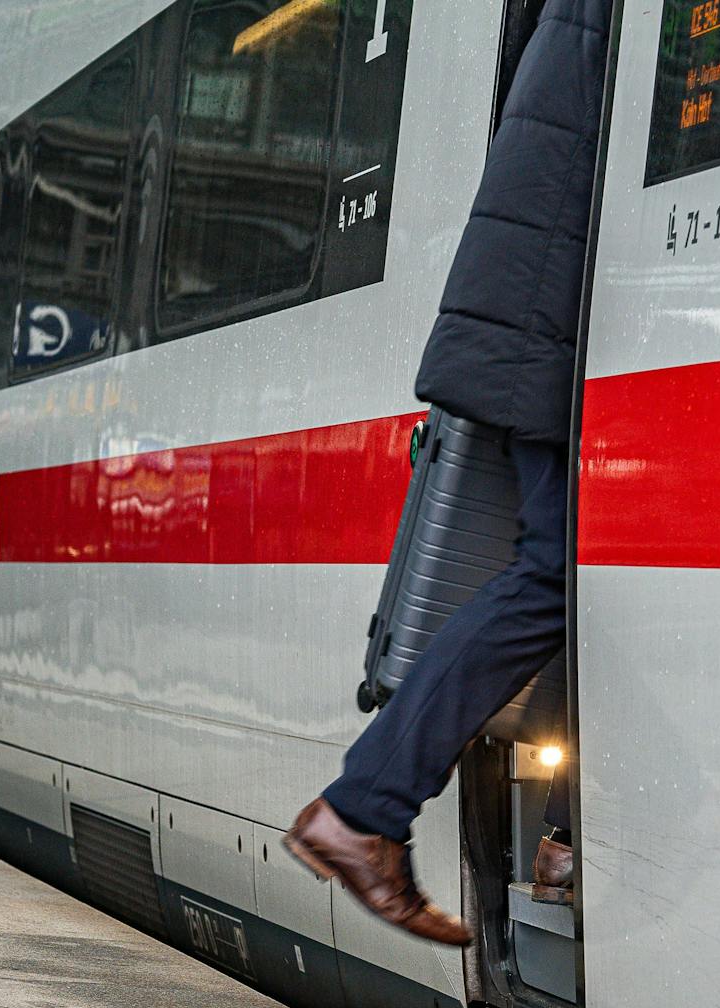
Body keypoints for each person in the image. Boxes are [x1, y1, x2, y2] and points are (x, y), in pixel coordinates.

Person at [282, 0, 608, 945]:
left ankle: (543, 830)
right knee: (558, 574)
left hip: (524, 315)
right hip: (540, 324)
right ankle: (369, 807)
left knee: (567, 572)